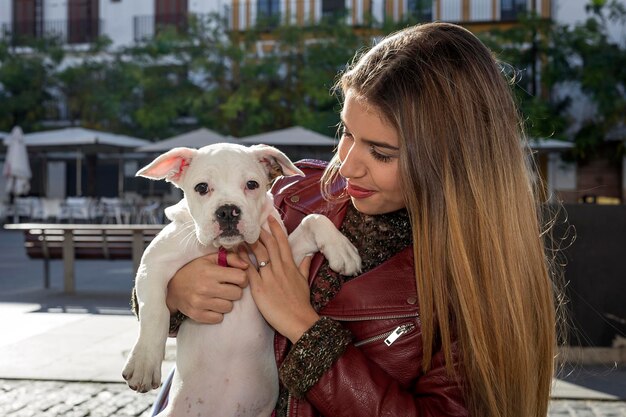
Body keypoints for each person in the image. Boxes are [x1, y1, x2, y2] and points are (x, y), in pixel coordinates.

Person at [155, 22, 561, 417]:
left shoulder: (480, 279)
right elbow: (175, 266)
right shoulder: (294, 192)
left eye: (381, 153)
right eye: (346, 133)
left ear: (453, 163)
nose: (346, 167)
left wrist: (305, 329)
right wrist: (175, 293)